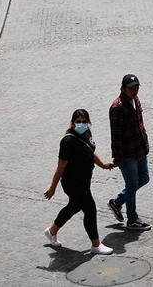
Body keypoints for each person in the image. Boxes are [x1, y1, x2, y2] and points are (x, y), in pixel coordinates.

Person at [43, 108, 116, 255]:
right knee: (90, 209)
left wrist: (102, 165)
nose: (81, 124)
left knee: (74, 206)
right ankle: (96, 245)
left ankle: (52, 231)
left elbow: (90, 151)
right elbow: (60, 167)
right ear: (72, 123)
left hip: (84, 181)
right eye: (78, 122)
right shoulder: (67, 142)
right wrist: (52, 188)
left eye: (84, 122)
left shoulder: (86, 133)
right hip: (72, 183)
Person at [107, 74, 151, 231]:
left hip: (139, 149)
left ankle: (117, 202)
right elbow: (116, 135)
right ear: (123, 88)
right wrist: (118, 158)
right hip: (127, 154)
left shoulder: (136, 100)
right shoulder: (117, 108)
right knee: (132, 185)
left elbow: (139, 123)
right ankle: (132, 219)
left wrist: (145, 144)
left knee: (144, 179)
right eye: (131, 88)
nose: (135, 90)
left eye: (137, 87)